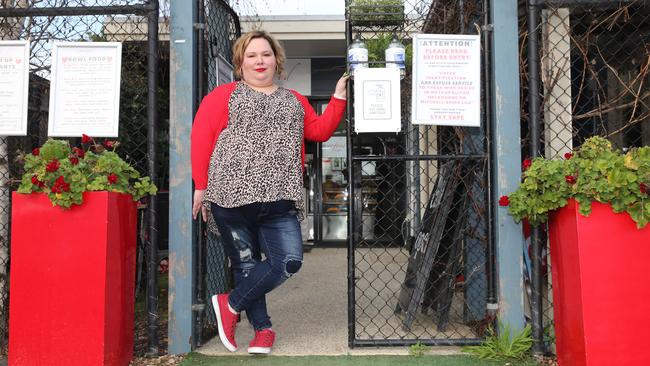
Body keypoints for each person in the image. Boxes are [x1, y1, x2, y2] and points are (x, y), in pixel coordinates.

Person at [191, 30, 348, 354]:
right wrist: (200, 187)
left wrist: (339, 96)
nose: (259, 61)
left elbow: (319, 131)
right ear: (240, 63)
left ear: (277, 60)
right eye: (251, 55)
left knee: (288, 260)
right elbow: (201, 139)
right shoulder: (222, 96)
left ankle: (229, 304)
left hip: (279, 198)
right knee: (246, 265)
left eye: (265, 54)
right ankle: (263, 331)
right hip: (229, 196)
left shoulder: (294, 100)